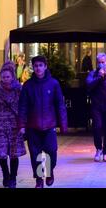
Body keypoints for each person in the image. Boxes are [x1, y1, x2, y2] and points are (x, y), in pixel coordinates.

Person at [18, 55, 68, 188]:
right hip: (32, 126)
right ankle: (39, 179)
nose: (38, 68)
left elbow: (60, 105)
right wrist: (22, 125)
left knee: (51, 152)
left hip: (49, 125)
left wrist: (63, 124)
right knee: (36, 155)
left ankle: (50, 172)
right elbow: (23, 106)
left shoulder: (54, 83)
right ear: (33, 68)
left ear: (45, 67)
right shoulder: (28, 85)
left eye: (41, 65)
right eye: (36, 66)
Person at [0, 62, 26, 188]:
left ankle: (13, 178)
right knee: (1, 153)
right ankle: (5, 174)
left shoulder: (19, 90)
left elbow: (23, 107)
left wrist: (23, 123)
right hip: (1, 126)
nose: (5, 79)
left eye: (8, 77)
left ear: (13, 76)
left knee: (14, 154)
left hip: (15, 125)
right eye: (3, 77)